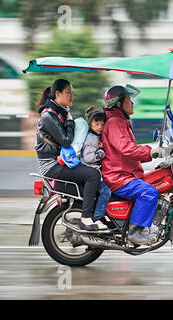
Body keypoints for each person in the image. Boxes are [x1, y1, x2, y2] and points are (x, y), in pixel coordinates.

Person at [101, 84, 165, 245]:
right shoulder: (115, 122)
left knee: (154, 182)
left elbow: (129, 153)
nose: (133, 103)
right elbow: (126, 149)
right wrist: (150, 152)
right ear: (118, 103)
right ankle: (135, 232)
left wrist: (150, 154)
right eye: (129, 100)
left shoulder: (121, 121)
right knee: (149, 192)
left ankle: (145, 226)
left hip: (125, 173)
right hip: (118, 176)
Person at [35, 79, 102, 231]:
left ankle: (95, 217)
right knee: (93, 175)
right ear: (58, 94)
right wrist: (71, 122)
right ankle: (86, 218)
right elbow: (66, 141)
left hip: (59, 162)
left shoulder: (59, 113)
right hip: (51, 165)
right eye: (68, 93)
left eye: (72, 93)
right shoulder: (48, 117)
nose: (72, 96)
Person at [81, 106, 112, 230]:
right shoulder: (92, 138)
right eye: (96, 124)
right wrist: (101, 152)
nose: (99, 127)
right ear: (90, 124)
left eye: (102, 124)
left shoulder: (95, 137)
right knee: (106, 192)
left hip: (92, 170)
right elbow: (89, 158)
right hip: (90, 170)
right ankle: (97, 218)